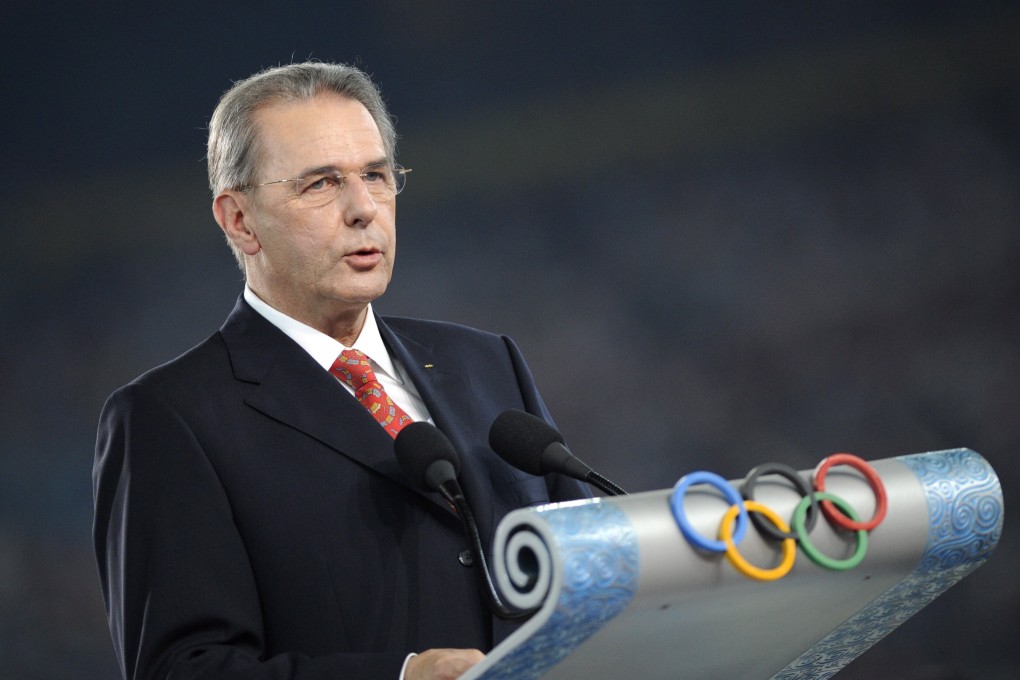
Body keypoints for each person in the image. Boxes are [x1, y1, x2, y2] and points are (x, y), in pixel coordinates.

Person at [92, 62, 590, 680]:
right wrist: (401, 676)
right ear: (239, 220)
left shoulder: (487, 363)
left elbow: (589, 576)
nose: (364, 209)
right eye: (321, 184)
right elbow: (183, 669)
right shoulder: (171, 419)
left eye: (377, 175)